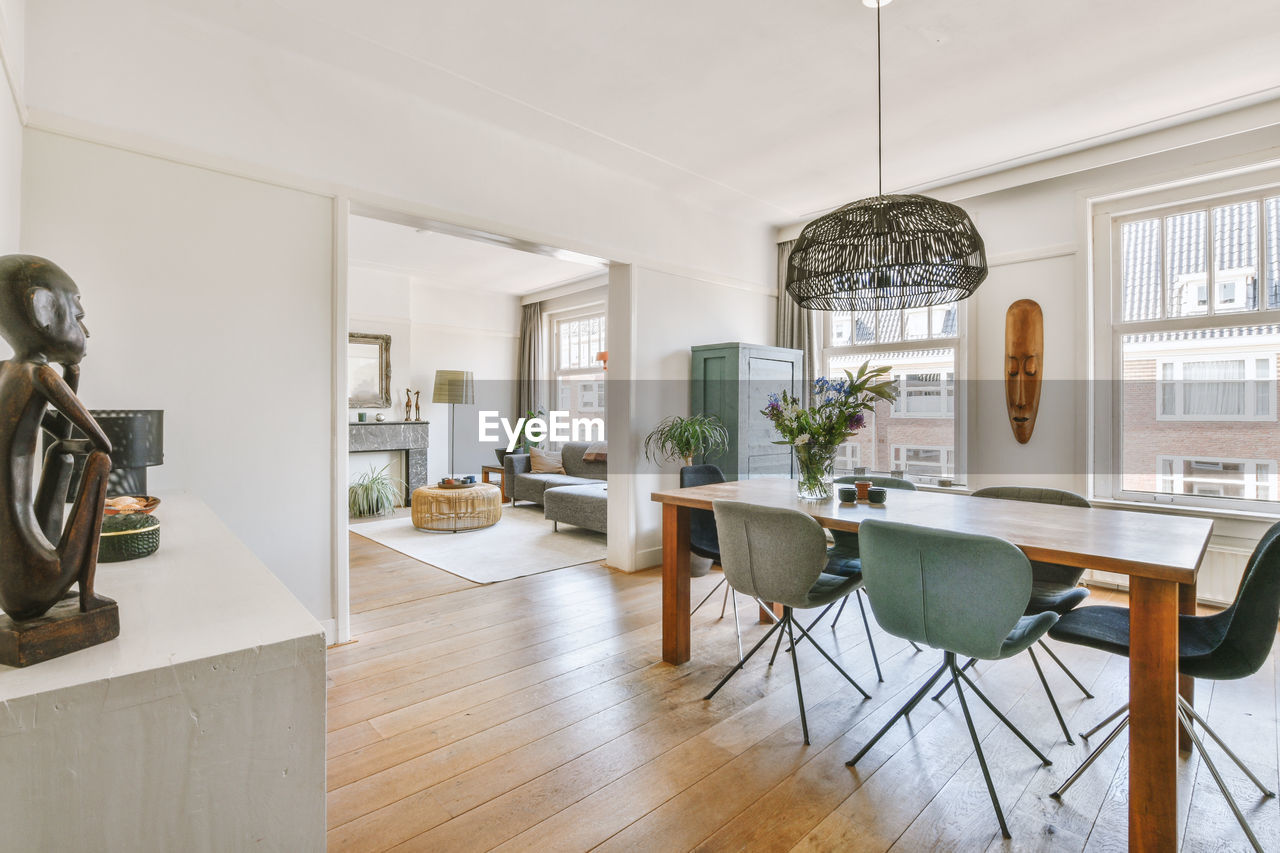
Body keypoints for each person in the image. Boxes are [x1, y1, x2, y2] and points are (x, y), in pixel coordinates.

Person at [0, 255, 112, 620]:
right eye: (79, 317)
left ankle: (59, 563)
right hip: (37, 580)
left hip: (10, 586)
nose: (87, 331)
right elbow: (100, 441)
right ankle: (88, 594)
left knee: (59, 452)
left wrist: (71, 374)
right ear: (43, 311)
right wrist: (68, 373)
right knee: (101, 461)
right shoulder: (40, 374)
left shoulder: (5, 371)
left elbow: (62, 435)